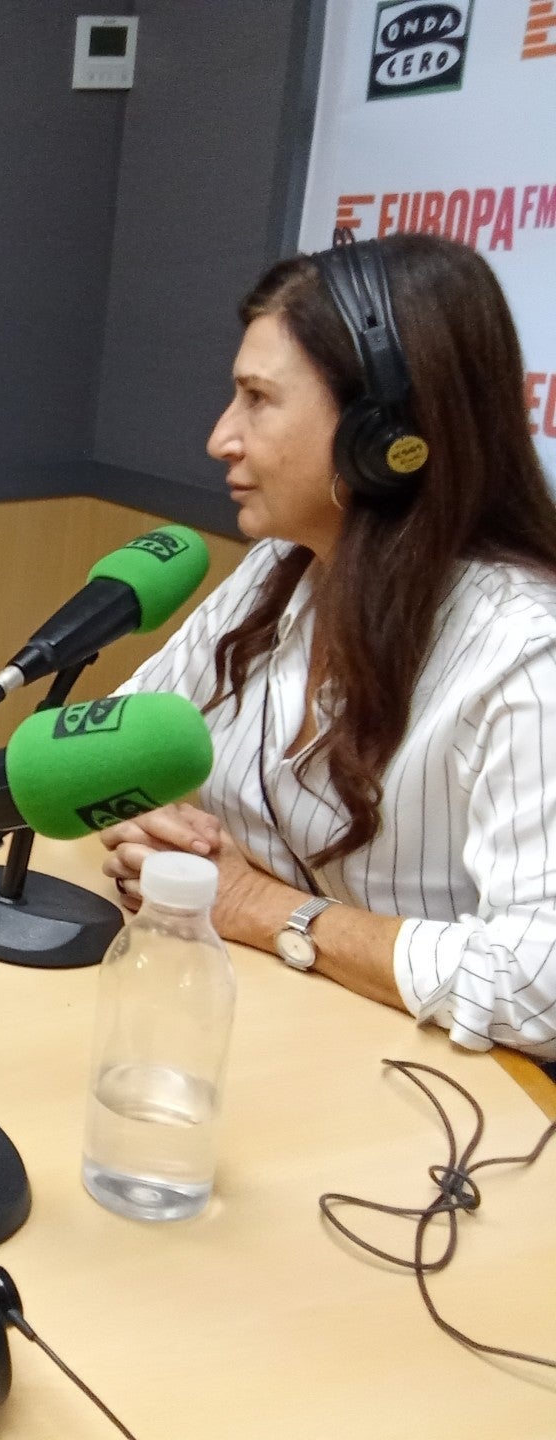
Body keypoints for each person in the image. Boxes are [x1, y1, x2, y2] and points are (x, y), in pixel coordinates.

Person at [101, 233, 556, 1059]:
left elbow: (541, 980)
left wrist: (269, 911)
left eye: (258, 400)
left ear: (384, 434)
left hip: (435, 1102)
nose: (220, 438)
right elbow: (126, 735)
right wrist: (157, 821)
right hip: (255, 1031)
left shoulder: (527, 655)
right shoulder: (285, 567)